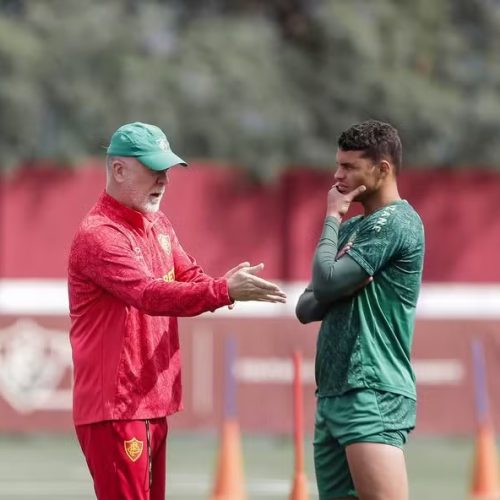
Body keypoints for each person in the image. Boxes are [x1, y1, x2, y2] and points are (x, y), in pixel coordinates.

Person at [67, 121, 287, 500]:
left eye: (166, 170)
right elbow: (149, 295)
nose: (163, 180)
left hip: (149, 402)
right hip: (116, 408)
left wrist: (224, 284)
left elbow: (189, 276)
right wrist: (223, 290)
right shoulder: (99, 235)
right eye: (153, 169)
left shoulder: (158, 224)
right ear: (118, 170)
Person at [296, 119, 424, 500]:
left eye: (350, 166)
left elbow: (323, 284)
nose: (337, 175)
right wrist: (335, 283)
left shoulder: (397, 222)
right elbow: (306, 305)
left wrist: (332, 218)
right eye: (338, 164)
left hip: (372, 389)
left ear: (382, 170)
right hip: (333, 392)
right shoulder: (355, 231)